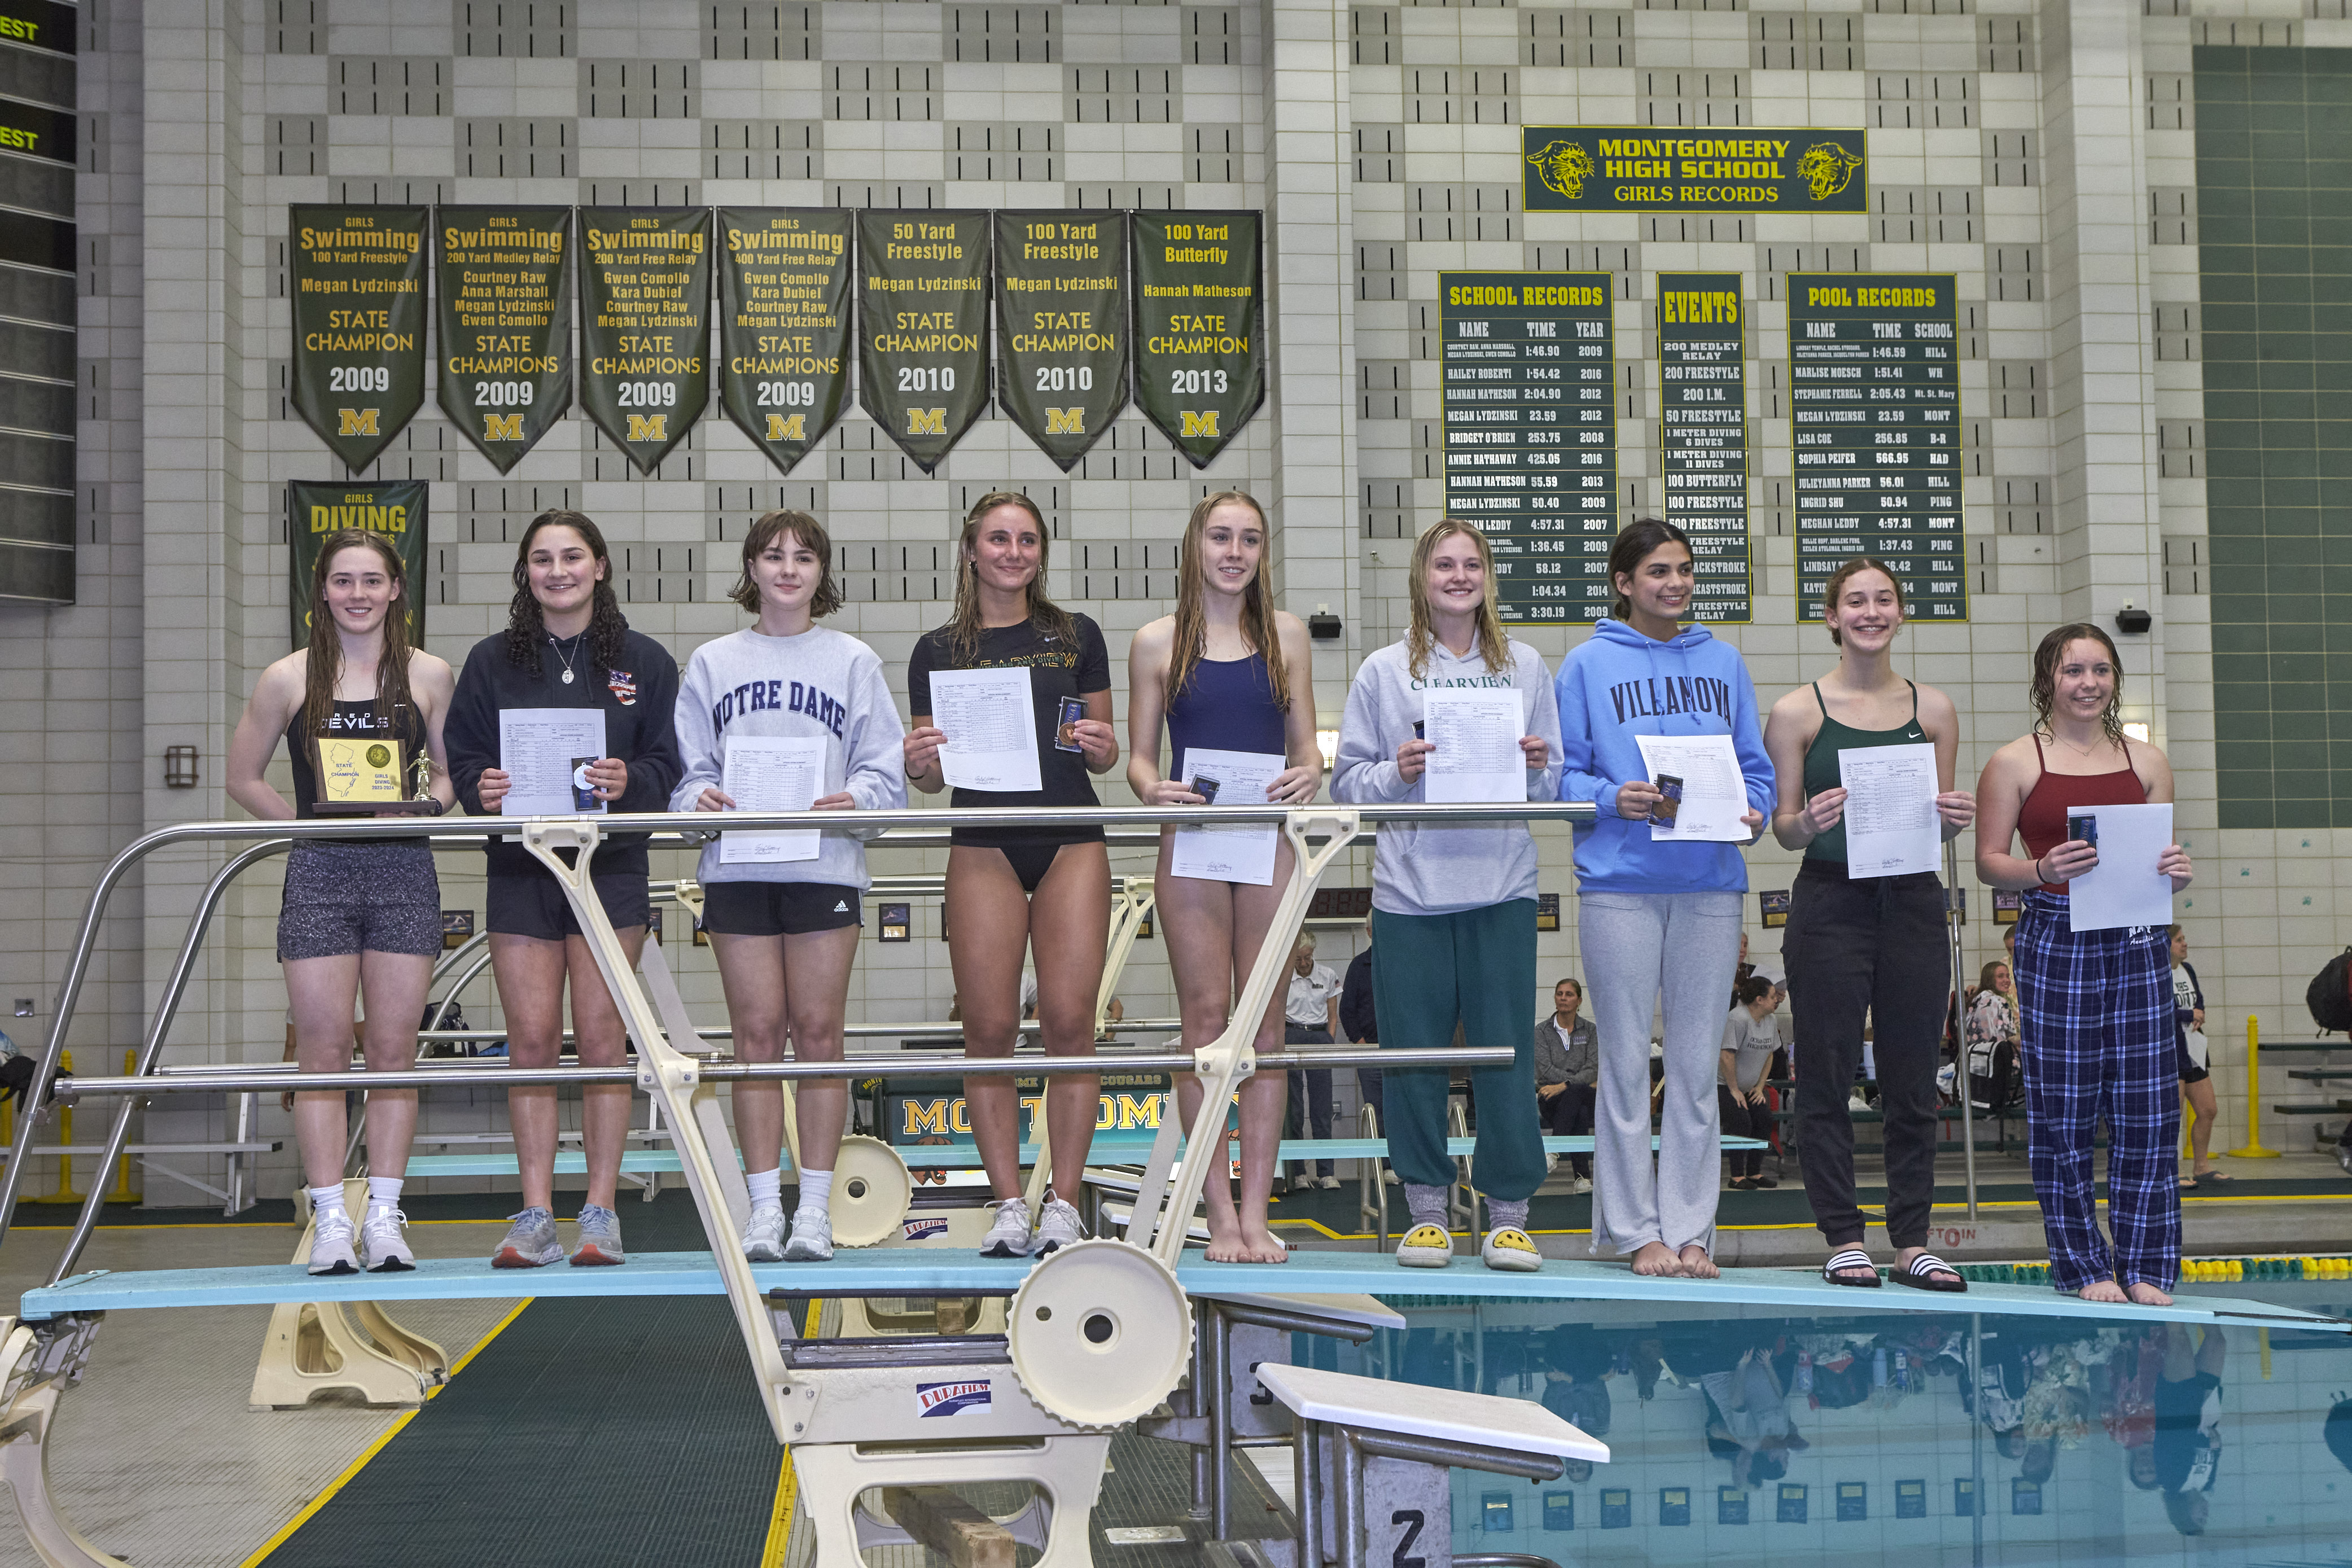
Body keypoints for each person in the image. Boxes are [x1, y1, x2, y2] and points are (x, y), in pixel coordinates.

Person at [445, 510, 682, 1268]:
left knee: (604, 1040)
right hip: (522, 872)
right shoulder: (489, 662)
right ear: (526, 574)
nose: (558, 570)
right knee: (533, 1041)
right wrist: (479, 784)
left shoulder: (643, 661)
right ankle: (535, 1213)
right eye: (542, 559)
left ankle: (602, 1211)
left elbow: (670, 766)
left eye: (572, 556)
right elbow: (462, 760)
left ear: (600, 566)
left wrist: (630, 779)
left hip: (611, 869)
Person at [673, 510, 905, 1263]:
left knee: (819, 1035)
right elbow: (689, 777)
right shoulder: (711, 661)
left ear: (821, 573)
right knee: (753, 1040)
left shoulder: (851, 661)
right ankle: (763, 1207)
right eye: (772, 556)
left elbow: (885, 775)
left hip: (823, 867)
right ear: (750, 567)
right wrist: (694, 805)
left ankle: (813, 1207)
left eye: (803, 557)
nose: (787, 569)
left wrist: (858, 801)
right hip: (739, 867)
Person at [1333, 517, 1562, 1272]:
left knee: (1504, 1055)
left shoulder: (1524, 666)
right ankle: (1425, 1209)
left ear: (1486, 578)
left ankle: (1506, 1215)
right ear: (1419, 577)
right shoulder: (1382, 671)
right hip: (1409, 892)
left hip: (1499, 886)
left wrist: (1535, 762)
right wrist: (1393, 770)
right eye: (1443, 564)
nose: (1457, 576)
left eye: (1470, 565)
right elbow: (1348, 785)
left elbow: (1553, 781)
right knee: (1413, 1060)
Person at [226, 529, 455, 1274]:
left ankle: (385, 1214)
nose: (357, 593)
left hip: (402, 873)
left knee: (392, 1051)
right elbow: (243, 775)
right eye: (343, 580)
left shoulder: (429, 674)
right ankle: (330, 1217)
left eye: (372, 580)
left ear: (396, 589)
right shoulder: (287, 677)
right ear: (320, 591)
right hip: (322, 874)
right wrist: (305, 830)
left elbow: (453, 773)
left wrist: (421, 807)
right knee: (322, 1052)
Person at [1554, 517, 1772, 1280]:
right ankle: (1631, 1231)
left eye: (1682, 570)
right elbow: (1559, 777)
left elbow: (1755, 768)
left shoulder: (1722, 660)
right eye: (1656, 572)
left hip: (1709, 883)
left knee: (1691, 1068)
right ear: (1622, 582)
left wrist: (1754, 809)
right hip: (1618, 884)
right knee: (1619, 1062)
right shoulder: (1584, 665)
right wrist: (1613, 797)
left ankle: (1689, 1231)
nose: (1673, 583)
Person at [906, 491, 1119, 1258]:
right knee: (988, 1029)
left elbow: (1106, 752)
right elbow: (931, 782)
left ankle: (1062, 1200)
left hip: (1069, 835)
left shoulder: (1074, 634)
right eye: (997, 538)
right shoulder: (936, 648)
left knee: (1068, 1024)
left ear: (1041, 552)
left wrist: (1099, 744)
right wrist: (919, 765)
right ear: (970, 549)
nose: (1012, 551)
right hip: (984, 841)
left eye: (1026, 540)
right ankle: (1007, 1201)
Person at [1762, 557, 1974, 1292]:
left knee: (1914, 1078)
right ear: (1830, 616)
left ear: (1899, 612)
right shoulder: (1796, 712)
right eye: (1855, 600)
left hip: (1912, 898)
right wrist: (1807, 820)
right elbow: (1781, 828)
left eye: (1883, 598)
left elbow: (1935, 826)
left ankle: (1911, 1238)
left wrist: (1952, 820)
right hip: (1828, 902)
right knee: (1823, 1072)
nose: (1870, 610)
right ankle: (1842, 1235)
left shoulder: (1935, 709)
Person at [1124, 489, 1322, 1261]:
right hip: (1194, 838)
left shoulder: (1288, 637)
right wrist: (1148, 787)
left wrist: (1308, 773)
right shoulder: (1155, 642)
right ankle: (1215, 1208)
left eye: (1248, 539)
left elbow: (1304, 747)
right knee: (1204, 1022)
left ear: (1262, 551)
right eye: (1219, 537)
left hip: (1265, 839)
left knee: (1265, 1031)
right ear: (1195, 546)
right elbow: (1142, 756)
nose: (1233, 552)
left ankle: (1255, 1209)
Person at [1974, 623, 2195, 1305]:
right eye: (2074, 671)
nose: (2089, 683)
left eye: (2101, 670)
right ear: (2048, 679)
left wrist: (2177, 872)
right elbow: (1989, 863)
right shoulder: (2014, 762)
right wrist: (2038, 868)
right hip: (2055, 932)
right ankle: (2083, 1265)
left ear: (2115, 678)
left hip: (2136, 937)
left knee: (2148, 1108)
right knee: (2064, 1111)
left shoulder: (2148, 761)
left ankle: (2148, 1265)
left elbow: (2160, 858)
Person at [2151, 1325, 2227, 1535]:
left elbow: (2171, 1443)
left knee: (2180, 1341)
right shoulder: (2206, 1484)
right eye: (2206, 1518)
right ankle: (2210, 1304)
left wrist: (2205, 1442)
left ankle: (2166, 1295)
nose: (2205, 1514)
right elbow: (2214, 1450)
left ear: (2184, 1513)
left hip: (2179, 1408)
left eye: (2199, 1518)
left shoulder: (2171, 1481)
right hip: (2206, 1409)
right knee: (2218, 1343)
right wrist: (2217, 1444)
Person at [1282, 937, 1343, 1193]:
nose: (1304, 963)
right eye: (1298, 959)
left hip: (1319, 1037)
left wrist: (1329, 1039)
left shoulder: (1327, 975)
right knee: (1294, 1109)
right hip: (1291, 1035)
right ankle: (1298, 1173)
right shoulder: (1284, 978)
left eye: (1307, 957)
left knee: (1321, 1107)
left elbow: (1333, 1013)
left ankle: (1326, 1173)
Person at [2170, 925, 2227, 1189]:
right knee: (2174, 1114)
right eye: (2179, 940)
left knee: (2208, 1109)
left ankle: (2201, 1166)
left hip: (2194, 1046)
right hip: (2172, 1049)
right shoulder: (2159, 973)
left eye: (2185, 939)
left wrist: (2199, 1012)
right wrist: (2187, 1015)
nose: (2185, 944)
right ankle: (2170, 1171)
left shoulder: (2187, 970)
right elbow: (2162, 1009)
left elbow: (2197, 999)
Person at [1338, 929, 1394, 1185]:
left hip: (1401, 1050)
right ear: (1371, 932)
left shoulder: (1402, 961)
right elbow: (1347, 1009)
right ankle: (1385, 1166)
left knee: (1402, 1108)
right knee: (1378, 1110)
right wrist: (1360, 1043)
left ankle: (1406, 1164)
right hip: (1371, 1049)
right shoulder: (1359, 966)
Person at [1532, 978, 1596, 1189]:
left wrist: (1565, 1085)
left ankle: (1553, 1151)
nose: (1563, 998)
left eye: (1569, 994)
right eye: (1560, 994)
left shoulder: (1590, 1031)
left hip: (1577, 1092)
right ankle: (1581, 1178)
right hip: (1551, 1098)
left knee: (1577, 1093)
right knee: (1581, 1111)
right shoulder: (1541, 1031)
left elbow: (1593, 1068)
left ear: (1579, 1000)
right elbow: (1545, 1069)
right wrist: (1570, 1085)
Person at [1719, 976, 1780, 1190]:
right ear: (1759, 1000)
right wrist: (1734, 1089)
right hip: (1723, 1086)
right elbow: (1726, 1055)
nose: (1777, 1000)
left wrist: (1760, 1086)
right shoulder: (1737, 1019)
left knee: (1763, 1117)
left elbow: (1770, 1054)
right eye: (1773, 997)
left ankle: (1754, 1172)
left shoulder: (1770, 1021)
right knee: (1741, 1120)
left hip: (1748, 1088)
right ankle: (1736, 1176)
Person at [1966, 958, 2023, 1111]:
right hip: (1999, 1066)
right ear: (1990, 980)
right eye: (2000, 977)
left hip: (1975, 1066)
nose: (2006, 980)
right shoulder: (2000, 1002)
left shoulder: (1975, 1001)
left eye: (2008, 976)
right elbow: (2007, 1042)